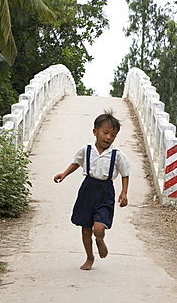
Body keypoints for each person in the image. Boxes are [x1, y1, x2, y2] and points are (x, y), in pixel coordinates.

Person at [54, 110, 131, 270]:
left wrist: (124, 192)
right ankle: (89, 257)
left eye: (113, 135)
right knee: (86, 227)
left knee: (98, 227)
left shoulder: (116, 154)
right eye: (105, 133)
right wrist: (64, 174)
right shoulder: (87, 149)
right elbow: (77, 162)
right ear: (95, 132)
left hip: (105, 191)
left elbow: (125, 172)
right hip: (87, 189)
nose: (108, 137)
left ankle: (100, 239)